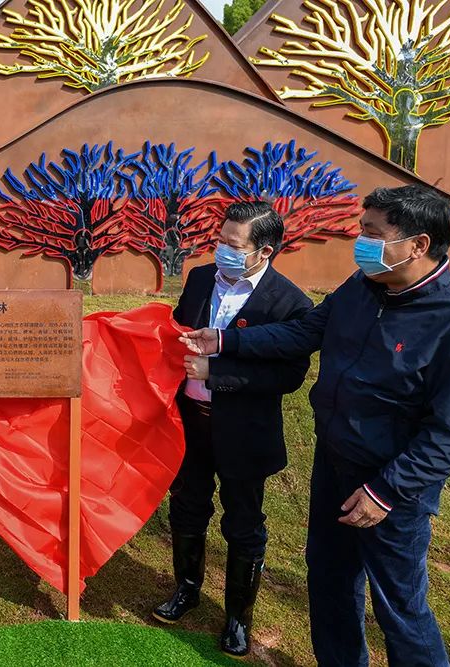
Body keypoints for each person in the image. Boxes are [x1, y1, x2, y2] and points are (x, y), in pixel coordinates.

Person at [181, 185, 450, 666]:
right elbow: (303, 332)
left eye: (373, 233)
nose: (361, 242)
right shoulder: (363, 286)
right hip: (334, 464)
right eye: (361, 230)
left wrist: (386, 491)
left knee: (399, 604)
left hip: (389, 486)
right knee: (330, 580)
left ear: (417, 245)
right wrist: (225, 342)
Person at [152, 201, 313, 657]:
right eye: (220, 239)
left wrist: (216, 374)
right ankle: (186, 589)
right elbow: (180, 327)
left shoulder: (290, 303)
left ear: (264, 251)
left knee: (243, 523)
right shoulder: (201, 278)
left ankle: (238, 617)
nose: (221, 249)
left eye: (233, 245)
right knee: (187, 508)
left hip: (244, 431)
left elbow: (289, 375)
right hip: (190, 421)